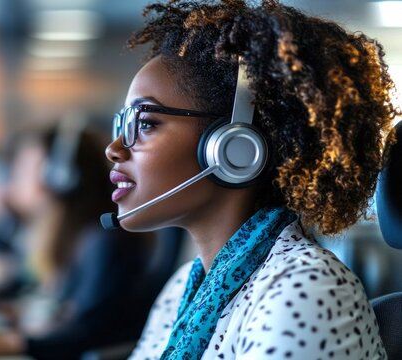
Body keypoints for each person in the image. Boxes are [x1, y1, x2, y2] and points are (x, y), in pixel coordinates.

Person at [104, 0, 397, 359]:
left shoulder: (301, 290)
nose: (114, 149)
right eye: (122, 124)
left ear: (235, 148)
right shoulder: (184, 287)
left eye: (145, 123)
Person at [0, 122, 166, 359]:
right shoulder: (69, 238)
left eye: (26, 168)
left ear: (59, 176)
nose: (15, 181)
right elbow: (59, 310)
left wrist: (15, 343)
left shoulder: (106, 240)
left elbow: (90, 331)